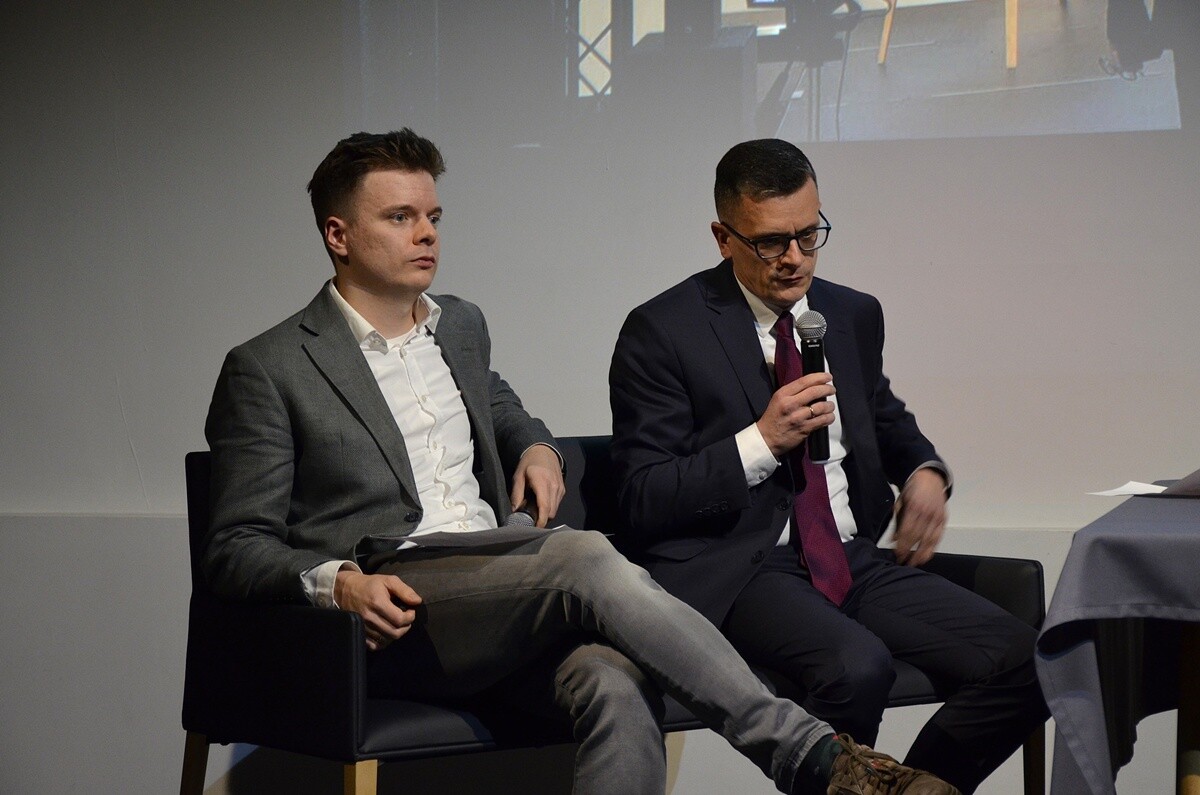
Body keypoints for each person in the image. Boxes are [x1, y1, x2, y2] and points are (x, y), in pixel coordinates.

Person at [203, 129, 959, 795]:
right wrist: (338, 582)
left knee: (614, 679)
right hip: (393, 608)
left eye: (433, 216)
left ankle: (823, 762)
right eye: (400, 217)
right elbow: (234, 546)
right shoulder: (269, 367)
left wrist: (534, 442)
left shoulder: (458, 325)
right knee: (582, 554)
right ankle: (813, 757)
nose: (426, 232)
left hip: (497, 581)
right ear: (338, 234)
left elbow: (498, 403)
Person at [608, 138, 1048, 794]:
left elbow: (882, 416)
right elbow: (642, 496)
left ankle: (906, 789)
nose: (795, 258)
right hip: (746, 566)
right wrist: (762, 440)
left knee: (1029, 659)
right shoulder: (663, 330)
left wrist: (925, 470)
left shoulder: (848, 314)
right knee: (857, 666)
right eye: (770, 242)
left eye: (809, 235)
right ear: (723, 238)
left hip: (848, 557)